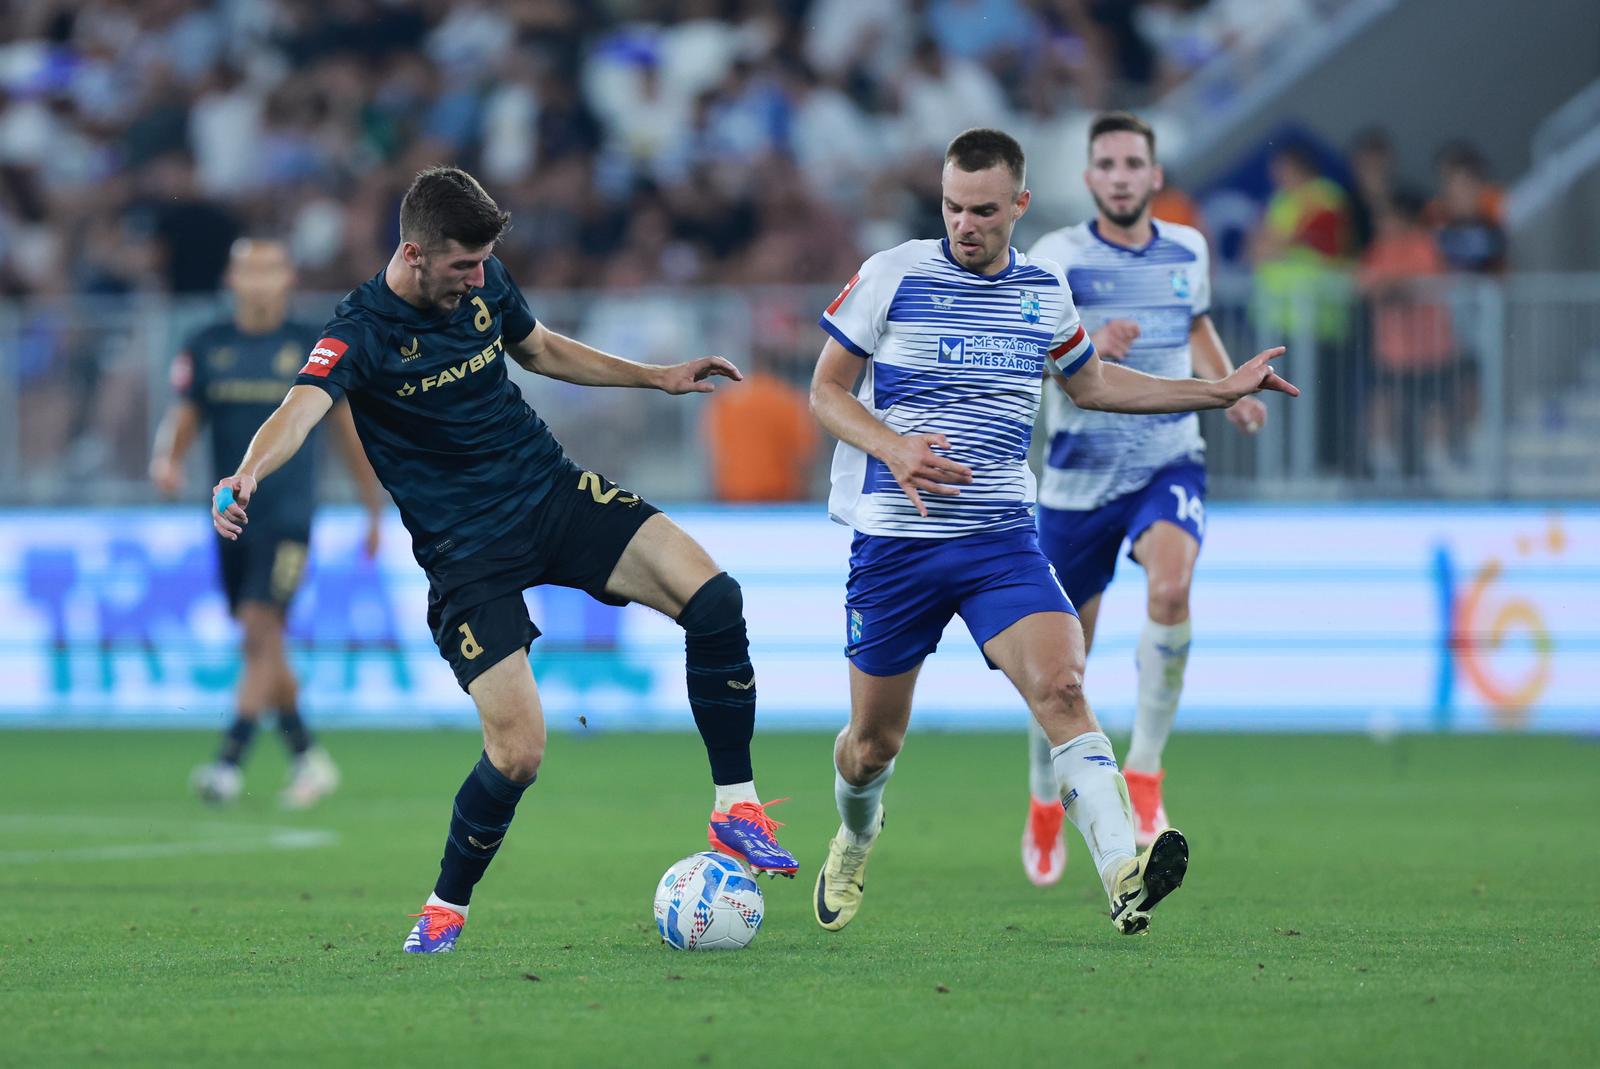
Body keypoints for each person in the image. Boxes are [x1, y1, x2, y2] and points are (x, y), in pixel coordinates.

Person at [209, 166, 798, 955]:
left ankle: (736, 806)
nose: (478, 277)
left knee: (715, 598)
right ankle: (446, 906)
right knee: (519, 751)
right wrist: (248, 470)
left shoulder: (483, 283)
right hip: (466, 553)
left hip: (549, 494)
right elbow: (299, 409)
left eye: (485, 262)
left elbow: (543, 348)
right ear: (414, 253)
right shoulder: (360, 331)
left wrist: (655, 376)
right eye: (461, 265)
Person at [808, 128, 1296, 935]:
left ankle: (1122, 871)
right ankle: (858, 834)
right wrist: (891, 445)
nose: (965, 224)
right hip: (896, 545)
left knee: (1064, 690)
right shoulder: (892, 274)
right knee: (869, 745)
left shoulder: (1043, 293)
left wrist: (1215, 390)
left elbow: (1094, 384)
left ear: (1020, 206)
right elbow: (826, 391)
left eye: (985, 210)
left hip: (1001, 539)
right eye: (953, 208)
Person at [1017, 111, 1270, 887]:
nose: (1122, 174)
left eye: (1134, 162)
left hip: (1168, 458)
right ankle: (1043, 798)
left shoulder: (1188, 249)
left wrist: (1226, 388)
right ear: (1090, 179)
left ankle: (1148, 772)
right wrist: (1088, 349)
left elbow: (1192, 323)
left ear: (1154, 176)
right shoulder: (1055, 257)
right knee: (1059, 671)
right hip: (1075, 481)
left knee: (1171, 586)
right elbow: (1034, 351)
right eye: (1108, 163)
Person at [151, 238, 384, 809]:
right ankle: (308, 755)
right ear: (231, 280)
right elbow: (184, 416)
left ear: (288, 279)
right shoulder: (207, 346)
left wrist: (372, 507)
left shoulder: (311, 345)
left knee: (260, 628)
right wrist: (168, 459)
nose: (258, 280)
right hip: (231, 516)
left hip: (289, 516)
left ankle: (229, 762)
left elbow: (344, 428)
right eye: (248, 270)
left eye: (270, 269)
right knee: (263, 640)